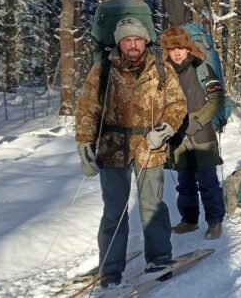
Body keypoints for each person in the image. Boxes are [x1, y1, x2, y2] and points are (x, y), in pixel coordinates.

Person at [75, 17, 186, 288]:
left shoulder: (161, 69)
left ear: (145, 40)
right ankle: (111, 268)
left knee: (152, 206)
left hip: (150, 147)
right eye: (127, 40)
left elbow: (177, 104)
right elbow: (87, 109)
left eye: (137, 39)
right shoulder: (102, 70)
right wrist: (84, 144)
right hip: (112, 148)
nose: (133, 44)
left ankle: (159, 258)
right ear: (119, 42)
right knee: (114, 209)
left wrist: (166, 128)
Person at [160, 27, 226, 240]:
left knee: (207, 180)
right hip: (177, 136)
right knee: (184, 182)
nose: (177, 53)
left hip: (202, 132)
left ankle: (214, 222)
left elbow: (217, 99)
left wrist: (197, 121)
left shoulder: (202, 68)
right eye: (172, 49)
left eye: (180, 47)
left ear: (188, 48)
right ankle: (189, 220)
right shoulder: (164, 73)